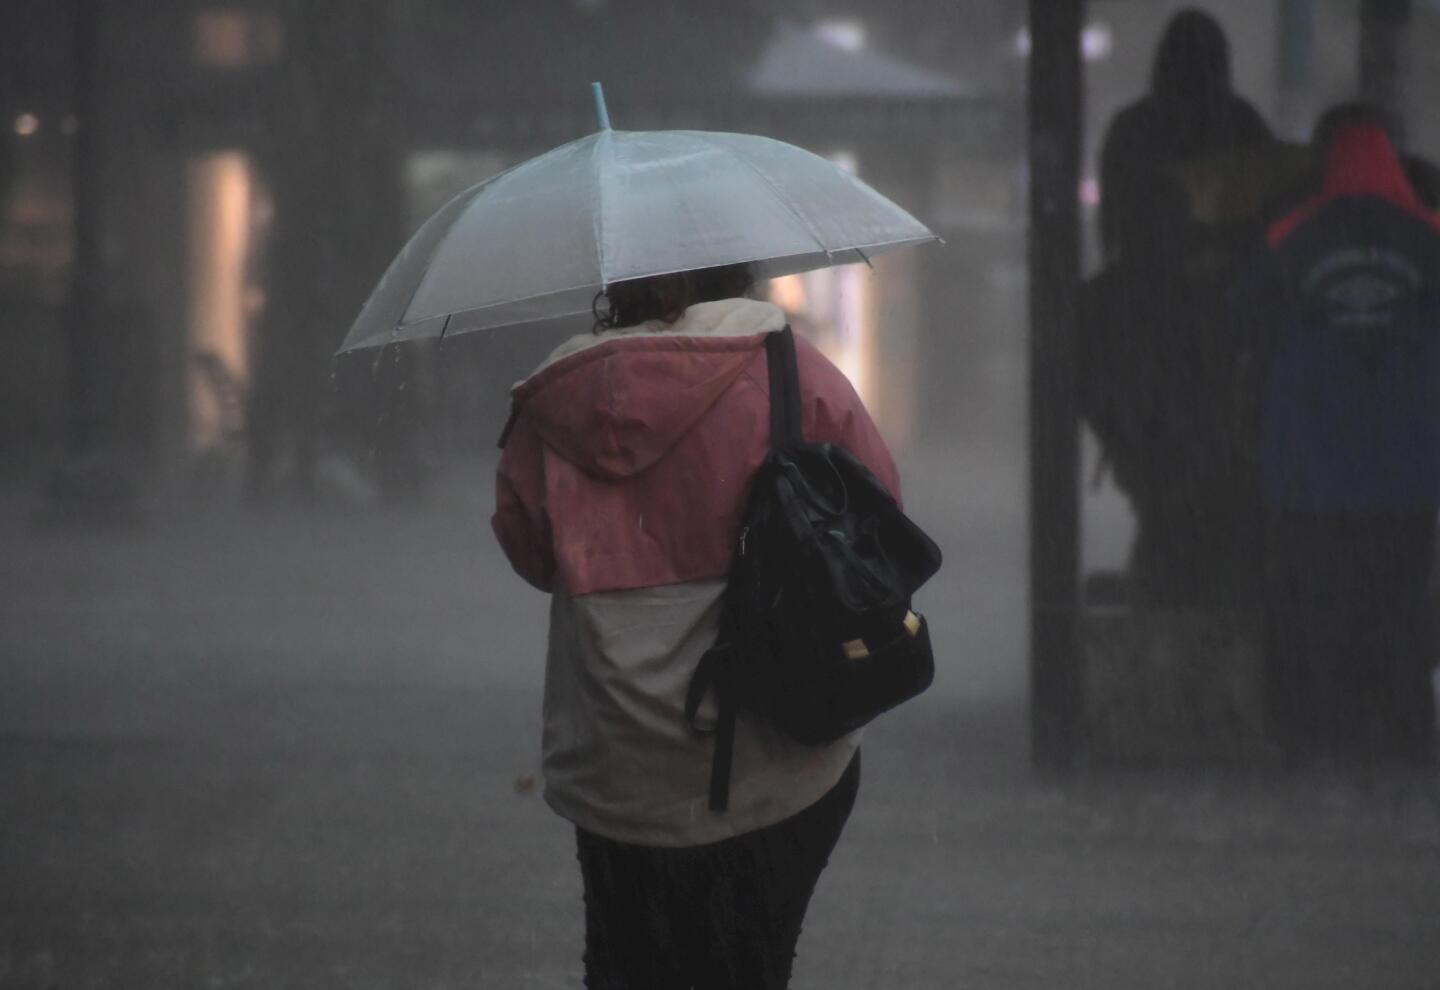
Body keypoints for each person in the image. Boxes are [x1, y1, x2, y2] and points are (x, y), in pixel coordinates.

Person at [492, 264, 901, 988]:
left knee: (628, 965)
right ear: (733, 271)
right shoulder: (794, 375)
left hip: (617, 770)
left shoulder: (558, 400)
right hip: (779, 761)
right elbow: (880, 519)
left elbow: (529, 551)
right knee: (748, 966)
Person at [1232, 104, 1440, 769]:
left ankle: (1323, 733)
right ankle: (1400, 730)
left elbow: (1245, 319)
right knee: (1399, 603)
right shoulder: (1428, 234)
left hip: (1311, 470)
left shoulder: (1291, 234)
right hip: (1409, 470)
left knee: (1320, 606)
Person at [1081, 8, 1279, 611]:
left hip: (1147, 336)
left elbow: (1113, 226)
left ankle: (1165, 584)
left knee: (1166, 502)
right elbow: (1269, 221)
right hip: (1223, 332)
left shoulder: (1133, 127)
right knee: (1215, 503)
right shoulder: (1242, 123)